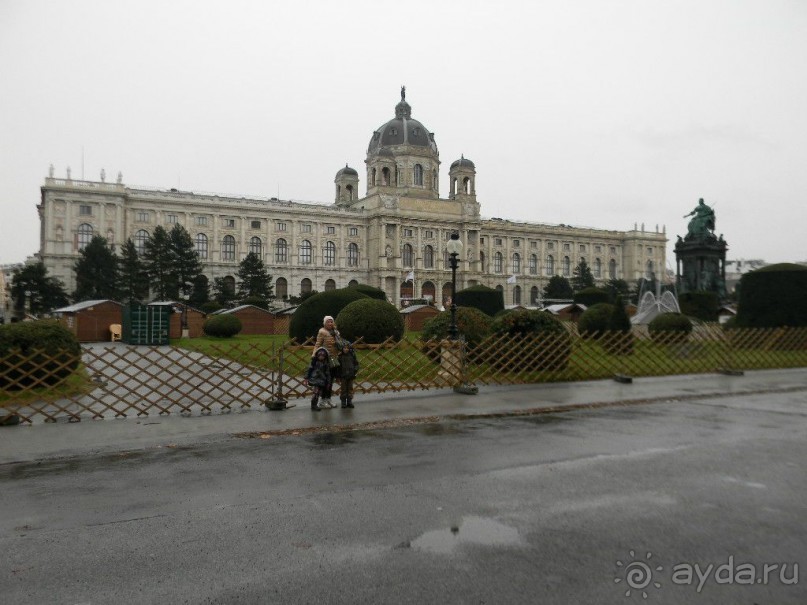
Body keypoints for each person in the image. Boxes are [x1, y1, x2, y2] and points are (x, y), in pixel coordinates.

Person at [314, 315, 343, 408]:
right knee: (325, 381)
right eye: (328, 322)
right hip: (325, 360)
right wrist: (314, 356)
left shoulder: (335, 332)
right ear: (325, 323)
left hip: (334, 360)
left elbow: (340, 345)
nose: (330, 323)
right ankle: (322, 400)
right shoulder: (322, 332)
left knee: (331, 381)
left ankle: (328, 399)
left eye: (331, 322)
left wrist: (336, 336)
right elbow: (318, 344)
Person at [304, 347, 333, 411]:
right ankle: (313, 405)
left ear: (325, 356)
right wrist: (306, 378)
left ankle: (315, 404)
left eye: (323, 356)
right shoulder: (314, 362)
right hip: (315, 379)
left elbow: (328, 373)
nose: (321, 357)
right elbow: (309, 369)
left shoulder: (326, 364)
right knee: (315, 392)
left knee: (319, 393)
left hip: (322, 380)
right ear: (317, 355)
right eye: (319, 355)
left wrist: (328, 382)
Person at [337, 341, 359, 408]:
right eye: (344, 348)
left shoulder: (352, 355)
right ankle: (343, 402)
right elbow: (338, 367)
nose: (346, 349)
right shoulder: (340, 356)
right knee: (343, 389)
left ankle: (349, 401)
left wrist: (355, 371)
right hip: (343, 375)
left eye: (347, 348)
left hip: (351, 374)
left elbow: (356, 364)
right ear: (342, 349)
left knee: (350, 388)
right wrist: (338, 375)